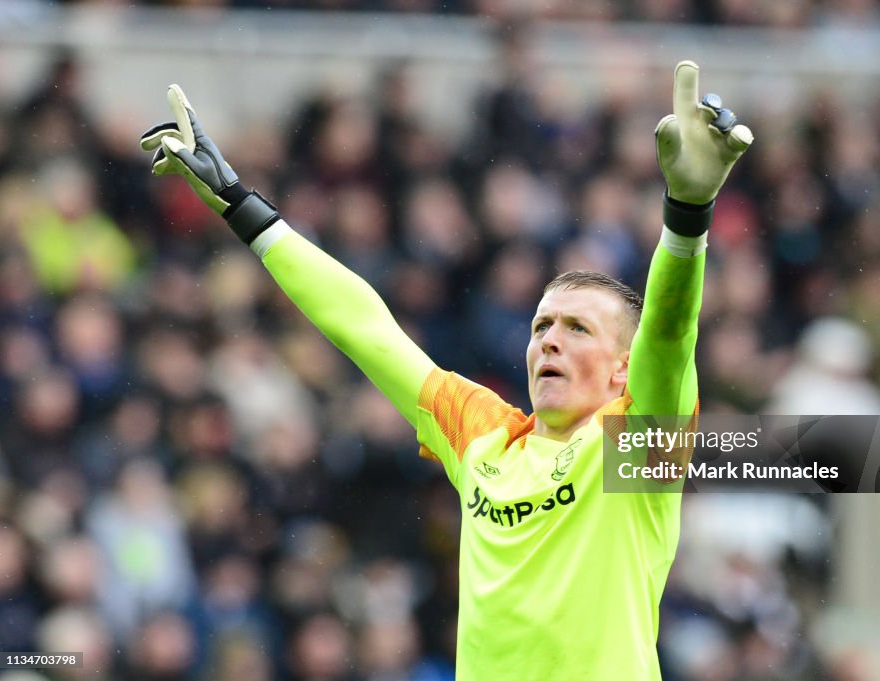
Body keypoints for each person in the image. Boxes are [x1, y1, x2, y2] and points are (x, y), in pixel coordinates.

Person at [140, 60, 752, 681]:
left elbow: (671, 332)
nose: (549, 343)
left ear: (624, 371)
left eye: (577, 329)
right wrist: (243, 208)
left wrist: (687, 213)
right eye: (541, 327)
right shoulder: (483, 437)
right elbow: (365, 329)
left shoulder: (639, 443)